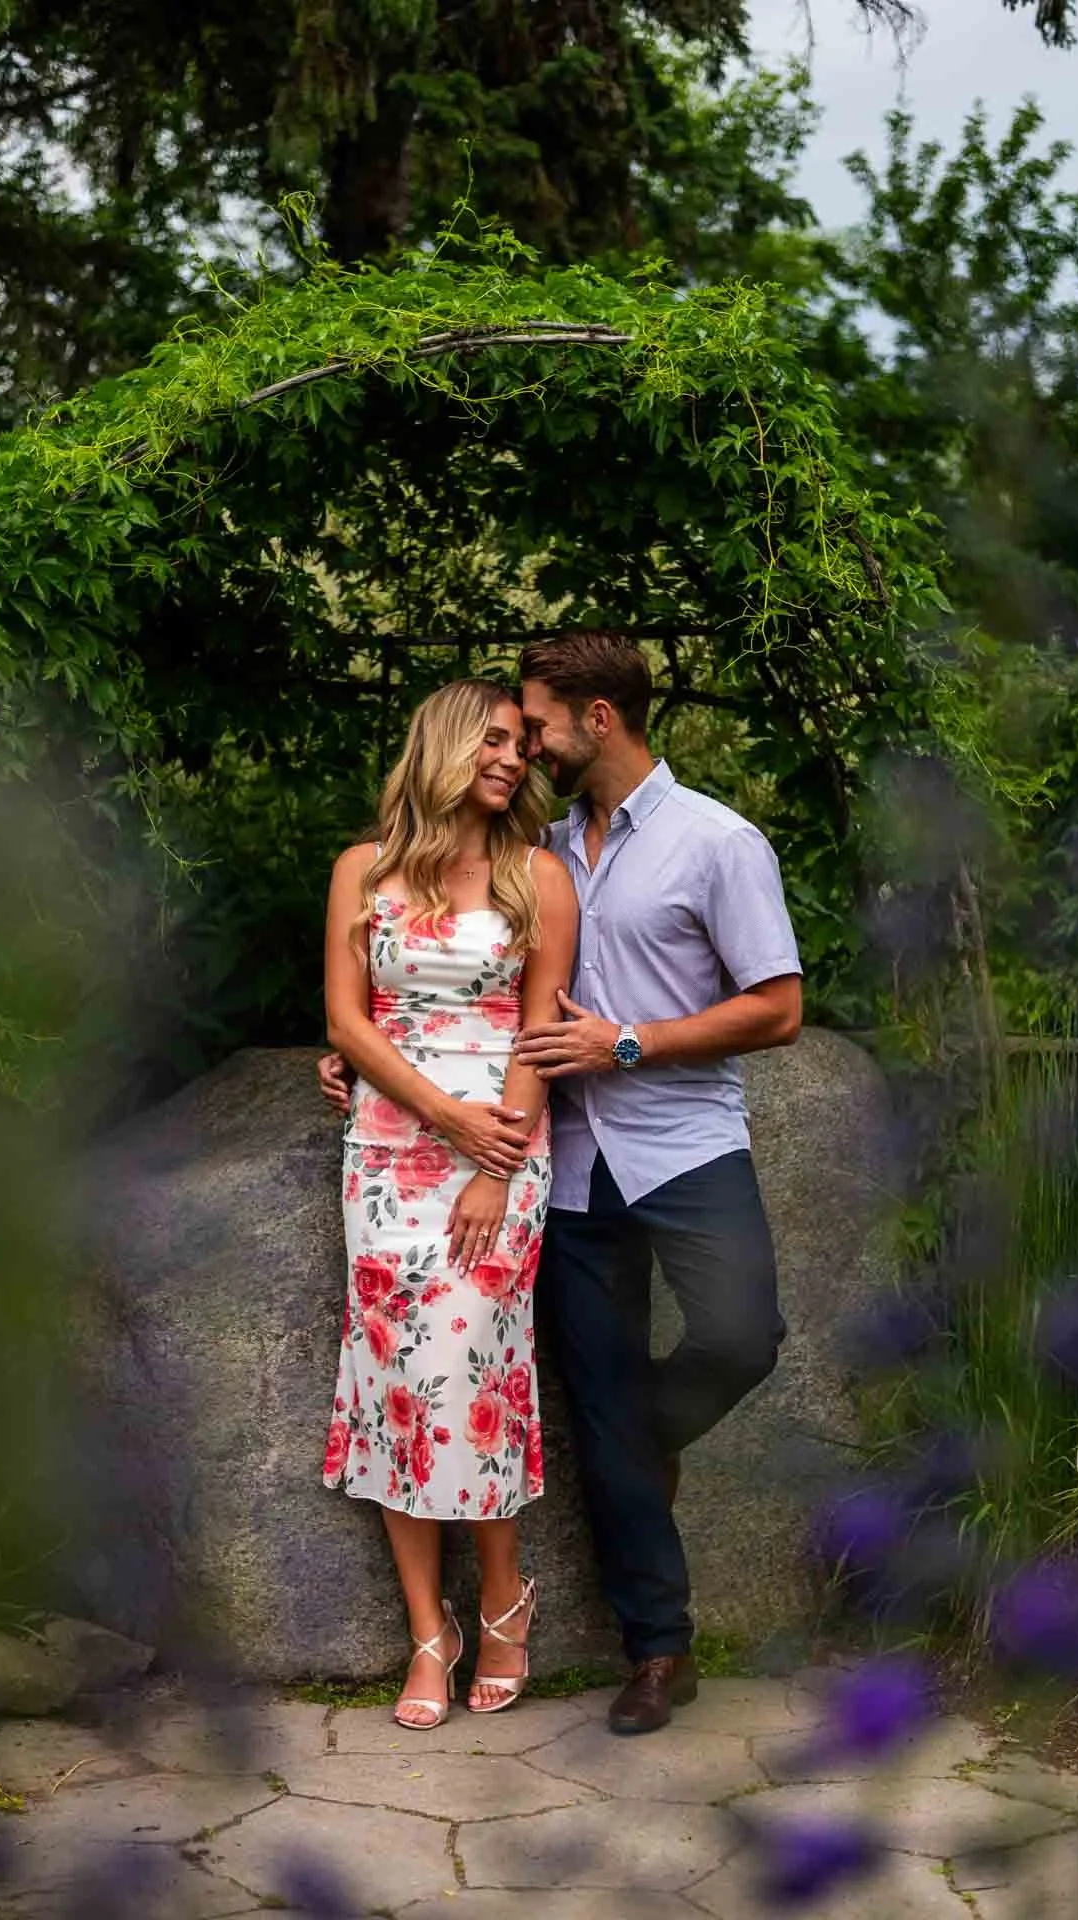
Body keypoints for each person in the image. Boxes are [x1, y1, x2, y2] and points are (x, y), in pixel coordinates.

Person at [320, 633, 801, 1737]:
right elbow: (412, 986)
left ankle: (628, 1441)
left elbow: (776, 1009)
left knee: (736, 1339)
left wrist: (625, 1045)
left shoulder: (713, 841)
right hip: (562, 1159)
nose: (522, 743)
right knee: (569, 1390)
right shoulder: (553, 845)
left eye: (531, 723)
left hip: (674, 1140)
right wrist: (367, 1052)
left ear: (595, 717)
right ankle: (655, 1649)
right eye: (501, 731)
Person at [321, 679, 577, 1731]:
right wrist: (436, 1117)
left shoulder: (536, 877)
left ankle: (507, 1603)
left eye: (521, 743)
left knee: (470, 1375)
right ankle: (430, 1633)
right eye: (496, 739)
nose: (513, 758)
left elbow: (539, 1033)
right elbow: (347, 1016)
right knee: (393, 1384)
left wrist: (491, 1158)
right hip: (386, 1157)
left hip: (500, 1161)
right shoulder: (361, 871)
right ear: (442, 743)